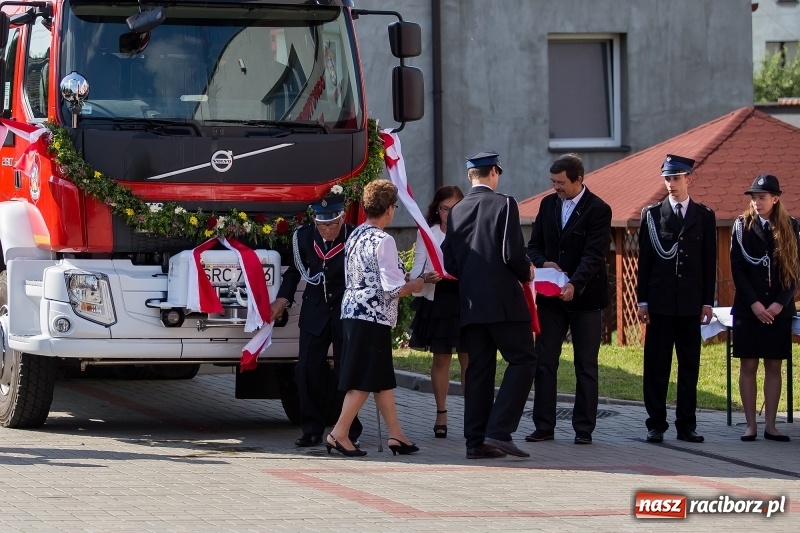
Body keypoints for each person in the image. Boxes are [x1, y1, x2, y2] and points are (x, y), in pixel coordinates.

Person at [441, 150, 537, 460]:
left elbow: (450, 261)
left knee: (479, 370)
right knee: (524, 359)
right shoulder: (504, 203)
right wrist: (528, 271)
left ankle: (475, 442)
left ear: (471, 176)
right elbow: (512, 253)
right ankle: (499, 431)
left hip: (470, 303)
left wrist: (472, 277)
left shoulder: (456, 211)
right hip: (503, 302)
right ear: (494, 172)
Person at [326, 179, 425, 457]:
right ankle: (339, 433)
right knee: (364, 379)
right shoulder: (384, 239)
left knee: (381, 378)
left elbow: (372, 275)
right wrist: (415, 285)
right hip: (372, 316)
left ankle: (396, 435)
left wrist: (402, 277)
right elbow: (392, 289)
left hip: (352, 311)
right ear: (390, 209)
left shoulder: (356, 234)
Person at [525, 153, 611, 445]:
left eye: (560, 183)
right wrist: (544, 263)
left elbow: (594, 254)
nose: (556, 188)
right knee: (545, 361)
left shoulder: (598, 209)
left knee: (585, 364)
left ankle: (584, 429)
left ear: (578, 179)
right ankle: (544, 426)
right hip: (551, 299)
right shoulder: (548, 204)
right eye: (552, 182)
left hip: (585, 299)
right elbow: (533, 246)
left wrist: (576, 283)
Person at [270, 194, 362, 448]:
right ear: (314, 219)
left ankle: (349, 427)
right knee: (308, 370)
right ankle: (311, 428)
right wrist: (281, 300)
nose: (328, 228)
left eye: (333, 223)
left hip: (345, 309)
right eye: (323, 224)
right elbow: (295, 272)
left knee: (347, 369)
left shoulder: (354, 236)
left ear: (342, 217)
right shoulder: (303, 236)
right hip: (315, 310)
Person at [637, 154, 716, 444]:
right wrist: (642, 300)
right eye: (667, 178)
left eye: (676, 178)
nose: (671, 184)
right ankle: (655, 424)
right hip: (659, 302)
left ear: (688, 179)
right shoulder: (653, 214)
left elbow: (709, 263)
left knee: (689, 367)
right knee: (656, 366)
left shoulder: (704, 215)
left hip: (690, 304)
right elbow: (644, 260)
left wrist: (708, 301)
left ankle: (687, 424)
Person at [730, 174, 800, 442]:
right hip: (750, 308)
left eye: (762, 197)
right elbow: (738, 269)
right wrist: (756, 304)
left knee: (774, 365)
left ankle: (771, 425)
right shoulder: (741, 226)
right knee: (748, 365)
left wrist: (779, 304)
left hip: (778, 309)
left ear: (775, 198)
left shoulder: (790, 226)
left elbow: (793, 271)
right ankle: (751, 425)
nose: (757, 202)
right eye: (754, 198)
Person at [408, 185, 469, 439]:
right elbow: (415, 273)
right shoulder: (428, 233)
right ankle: (441, 413)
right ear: (437, 209)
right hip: (439, 299)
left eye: (454, 209)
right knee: (441, 358)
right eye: (444, 209)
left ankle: (471, 414)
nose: (449, 213)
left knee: (469, 358)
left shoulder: (469, 231)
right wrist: (427, 277)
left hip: (466, 299)